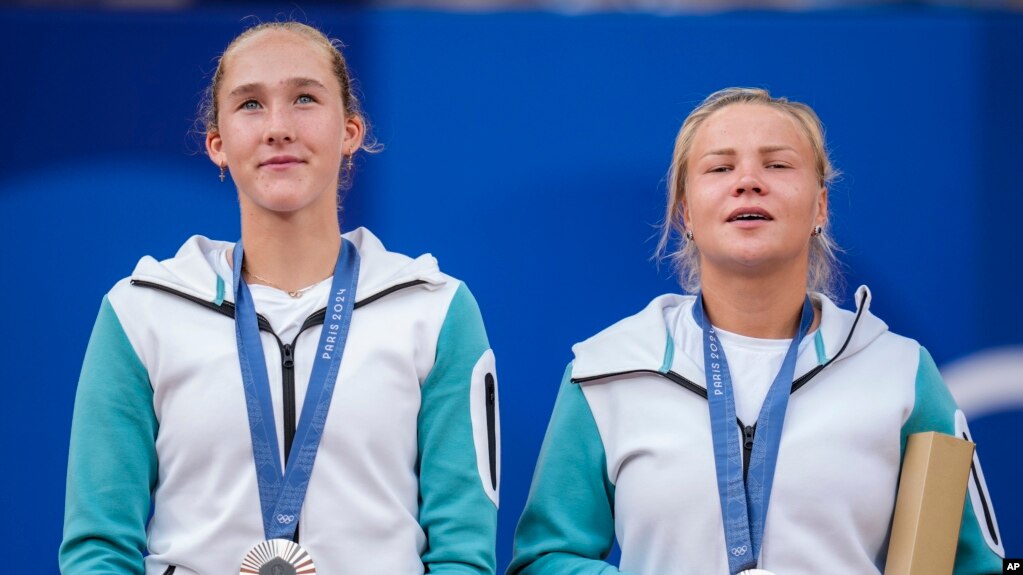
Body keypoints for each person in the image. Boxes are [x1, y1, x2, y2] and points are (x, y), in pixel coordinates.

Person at [60, 21, 500, 575]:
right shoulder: (141, 312)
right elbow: (98, 548)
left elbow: (462, 555)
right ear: (217, 144)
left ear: (350, 131)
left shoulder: (433, 311)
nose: (278, 128)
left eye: (305, 99)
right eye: (249, 105)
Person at [507, 87, 1003, 575]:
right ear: (685, 214)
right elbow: (543, 560)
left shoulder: (900, 373)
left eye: (778, 165)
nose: (747, 181)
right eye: (720, 168)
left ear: (821, 208)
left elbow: (976, 567)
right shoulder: (607, 372)